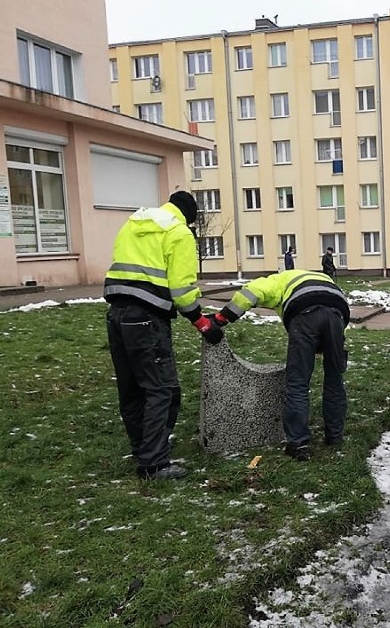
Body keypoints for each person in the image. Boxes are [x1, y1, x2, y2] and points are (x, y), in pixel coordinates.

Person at [104, 191, 224, 480]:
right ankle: (154, 463)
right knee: (163, 391)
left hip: (116, 314)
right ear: (189, 216)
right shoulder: (178, 232)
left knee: (131, 390)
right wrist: (202, 323)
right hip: (147, 319)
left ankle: (143, 447)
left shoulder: (134, 223)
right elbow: (181, 289)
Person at [211, 270, 350, 461]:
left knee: (298, 383)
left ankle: (298, 444)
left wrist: (222, 318)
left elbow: (251, 292)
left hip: (304, 313)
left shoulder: (278, 280)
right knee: (335, 379)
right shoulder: (323, 278)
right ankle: (335, 436)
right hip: (337, 313)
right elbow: (333, 312)